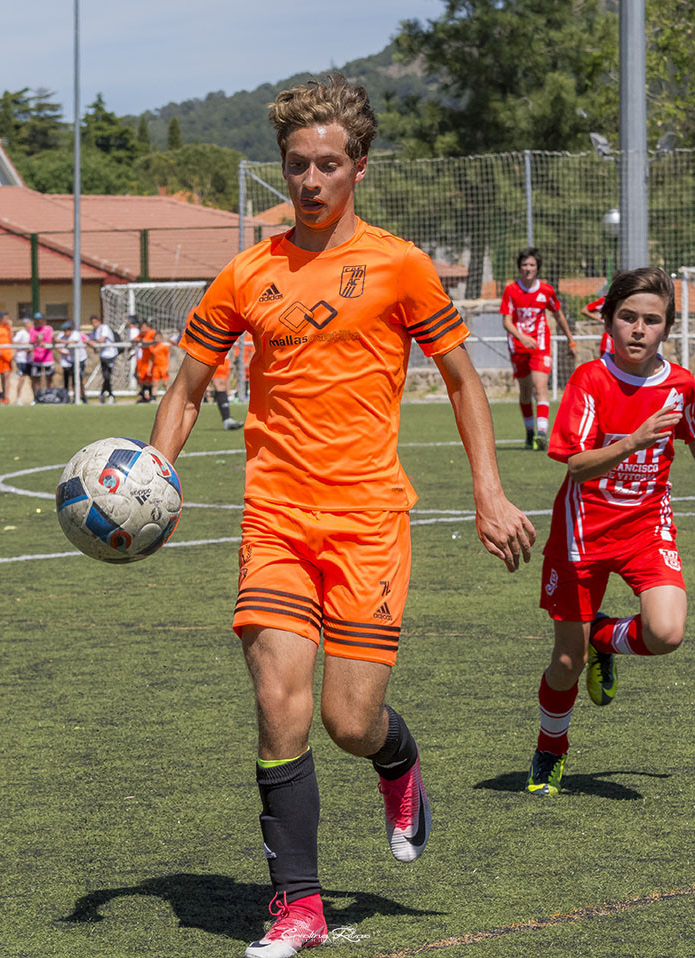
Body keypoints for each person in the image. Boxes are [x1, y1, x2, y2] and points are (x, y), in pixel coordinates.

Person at [150, 75, 535, 957]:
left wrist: (488, 490)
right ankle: (298, 905)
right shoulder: (247, 272)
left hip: (368, 522)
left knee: (349, 722)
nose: (311, 179)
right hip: (275, 518)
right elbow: (188, 387)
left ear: (360, 165)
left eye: (328, 163)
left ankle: (396, 760)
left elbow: (462, 379)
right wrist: (156, 475)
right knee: (278, 703)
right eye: (297, 164)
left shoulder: (400, 265)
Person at [527, 267, 695, 797]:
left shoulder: (682, 385)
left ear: (667, 327)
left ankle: (604, 636)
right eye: (628, 317)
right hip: (583, 534)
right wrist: (634, 440)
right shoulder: (590, 380)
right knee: (566, 663)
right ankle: (551, 749)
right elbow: (576, 465)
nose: (639, 329)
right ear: (609, 322)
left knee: (666, 634)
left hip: (647, 528)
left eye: (652, 320)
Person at [500, 248, 577, 450]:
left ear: (537, 268)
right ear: (519, 267)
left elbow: (558, 315)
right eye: (524, 265)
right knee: (525, 391)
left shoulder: (546, 291)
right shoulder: (511, 290)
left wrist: (570, 340)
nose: (528, 268)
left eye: (532, 265)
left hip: (540, 345)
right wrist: (522, 337)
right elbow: (506, 322)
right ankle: (529, 431)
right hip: (518, 346)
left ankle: (541, 434)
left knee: (540, 388)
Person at [88, 314, 117, 403]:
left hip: (111, 355)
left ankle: (107, 394)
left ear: (99, 321)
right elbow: (89, 340)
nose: (94, 324)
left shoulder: (104, 328)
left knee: (107, 376)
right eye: (92, 323)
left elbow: (101, 340)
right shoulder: (94, 331)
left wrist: (91, 342)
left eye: (95, 322)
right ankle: (108, 395)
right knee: (105, 376)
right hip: (103, 355)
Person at [56, 321, 88, 401]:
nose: (65, 332)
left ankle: (82, 396)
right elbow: (56, 344)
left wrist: (59, 341)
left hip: (80, 359)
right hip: (70, 360)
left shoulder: (76, 334)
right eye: (64, 330)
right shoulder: (61, 335)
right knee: (68, 379)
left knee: (79, 379)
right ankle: (67, 398)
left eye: (67, 330)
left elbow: (73, 342)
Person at [29, 312, 55, 395]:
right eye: (37, 320)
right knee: (36, 379)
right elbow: (31, 341)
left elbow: (51, 341)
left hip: (48, 358)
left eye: (40, 320)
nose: (39, 322)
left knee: (49, 378)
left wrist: (44, 343)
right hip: (36, 359)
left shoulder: (48, 328)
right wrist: (37, 340)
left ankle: (50, 396)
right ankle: (37, 397)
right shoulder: (32, 330)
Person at [12, 317, 34, 405]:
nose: (32, 325)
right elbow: (14, 342)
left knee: (33, 379)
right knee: (21, 379)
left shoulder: (32, 333)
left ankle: (35, 398)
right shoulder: (21, 333)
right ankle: (18, 398)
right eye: (30, 323)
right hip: (21, 359)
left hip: (29, 360)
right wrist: (25, 345)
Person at [134, 318, 156, 402]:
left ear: (148, 326)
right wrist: (141, 340)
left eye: (144, 327)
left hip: (152, 358)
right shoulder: (142, 334)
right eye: (141, 327)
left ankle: (151, 396)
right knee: (141, 377)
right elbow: (135, 339)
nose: (142, 329)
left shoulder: (152, 332)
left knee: (150, 378)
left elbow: (155, 340)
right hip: (144, 359)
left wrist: (143, 341)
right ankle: (145, 395)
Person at [147, 329, 171, 399]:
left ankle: (169, 396)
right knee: (155, 383)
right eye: (156, 337)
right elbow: (151, 359)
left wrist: (168, 367)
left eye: (158, 337)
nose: (157, 339)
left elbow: (168, 356)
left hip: (163, 366)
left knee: (165, 383)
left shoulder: (164, 346)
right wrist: (149, 369)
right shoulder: (151, 347)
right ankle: (153, 397)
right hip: (156, 367)